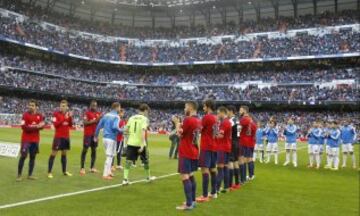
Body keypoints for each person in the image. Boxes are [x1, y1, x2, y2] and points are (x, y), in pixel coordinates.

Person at [174, 101, 201, 211]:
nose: (184, 109)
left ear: (190, 107)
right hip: (194, 150)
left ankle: (189, 204)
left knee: (184, 176)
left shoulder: (188, 119)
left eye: (185, 107)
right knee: (190, 175)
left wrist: (176, 123)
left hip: (186, 151)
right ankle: (193, 201)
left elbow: (179, 134)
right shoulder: (198, 120)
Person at [122, 103, 154, 184]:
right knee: (145, 161)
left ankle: (125, 179)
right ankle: (148, 177)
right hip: (140, 144)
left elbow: (125, 130)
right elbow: (143, 131)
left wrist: (125, 143)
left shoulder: (131, 118)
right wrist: (142, 145)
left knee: (128, 161)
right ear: (146, 110)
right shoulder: (145, 119)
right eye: (148, 111)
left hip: (131, 143)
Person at [17, 99, 45, 181]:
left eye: (33, 105)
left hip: (35, 140)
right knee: (23, 156)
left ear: (36, 107)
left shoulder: (40, 115)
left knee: (33, 157)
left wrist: (41, 125)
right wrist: (36, 126)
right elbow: (24, 127)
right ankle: (19, 175)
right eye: (30, 105)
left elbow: (42, 127)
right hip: (26, 139)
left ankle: (30, 175)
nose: (31, 107)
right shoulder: (25, 115)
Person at [94, 102, 123, 180]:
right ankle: (105, 174)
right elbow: (115, 127)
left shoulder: (106, 115)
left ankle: (109, 171)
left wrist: (96, 136)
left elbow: (99, 125)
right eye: (119, 107)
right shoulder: (116, 116)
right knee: (109, 156)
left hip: (105, 138)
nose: (120, 109)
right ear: (117, 107)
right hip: (111, 138)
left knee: (111, 155)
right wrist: (122, 130)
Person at [196, 99, 218, 202]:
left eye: (204, 106)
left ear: (208, 106)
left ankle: (204, 195)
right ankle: (214, 193)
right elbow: (216, 133)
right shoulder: (216, 118)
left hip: (206, 146)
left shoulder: (206, 117)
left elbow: (198, 129)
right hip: (214, 146)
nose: (203, 108)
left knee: (205, 170)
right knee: (213, 169)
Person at [48, 100, 73, 179]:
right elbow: (55, 125)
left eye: (64, 106)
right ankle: (49, 172)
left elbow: (71, 125)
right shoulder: (56, 114)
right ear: (60, 106)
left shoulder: (68, 114)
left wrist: (70, 117)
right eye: (61, 106)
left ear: (66, 107)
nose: (62, 107)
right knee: (53, 154)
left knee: (64, 154)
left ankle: (64, 171)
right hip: (58, 137)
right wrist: (64, 118)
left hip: (66, 137)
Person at [80, 100, 102, 176]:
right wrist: (95, 120)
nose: (94, 107)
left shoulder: (98, 114)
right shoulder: (87, 113)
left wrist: (99, 121)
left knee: (94, 150)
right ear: (90, 106)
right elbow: (85, 122)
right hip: (88, 134)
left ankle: (92, 167)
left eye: (95, 105)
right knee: (85, 150)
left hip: (95, 135)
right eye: (93, 105)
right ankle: (82, 168)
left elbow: (99, 124)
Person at [215, 106, 232, 193]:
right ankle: (226, 187)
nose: (217, 115)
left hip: (222, 147)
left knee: (220, 168)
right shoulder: (228, 122)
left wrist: (214, 135)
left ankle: (216, 189)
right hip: (227, 147)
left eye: (218, 113)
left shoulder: (224, 123)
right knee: (225, 167)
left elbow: (220, 136)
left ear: (222, 113)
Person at [238, 106, 257, 183]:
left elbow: (238, 131)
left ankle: (243, 177)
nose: (239, 111)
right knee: (250, 159)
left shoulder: (244, 120)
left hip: (244, 142)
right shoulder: (252, 122)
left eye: (240, 110)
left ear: (245, 111)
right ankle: (251, 175)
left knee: (243, 160)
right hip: (251, 142)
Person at [227, 105, 240, 190]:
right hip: (237, 142)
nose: (227, 113)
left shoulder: (231, 120)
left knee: (230, 162)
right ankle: (237, 183)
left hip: (232, 142)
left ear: (231, 111)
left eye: (227, 111)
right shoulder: (237, 120)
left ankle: (230, 184)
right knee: (235, 162)